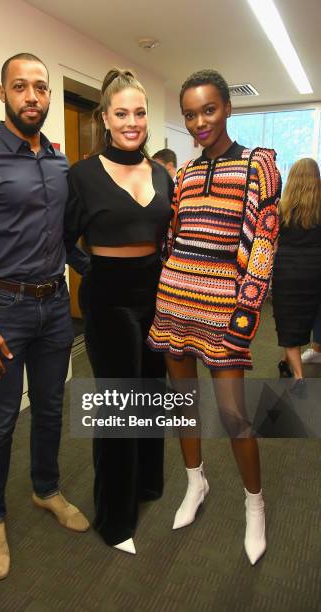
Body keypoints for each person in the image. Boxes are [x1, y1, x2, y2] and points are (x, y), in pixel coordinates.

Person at [0, 53, 90, 580]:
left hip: (54, 309)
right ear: (2, 93)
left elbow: (65, 239)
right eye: (21, 87)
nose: (33, 97)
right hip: (3, 310)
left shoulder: (58, 161)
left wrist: (100, 271)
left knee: (51, 408)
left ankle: (45, 489)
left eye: (42, 88)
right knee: (2, 419)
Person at [147, 69, 280, 565]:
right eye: (189, 114)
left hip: (224, 314)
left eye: (208, 109)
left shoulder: (256, 166)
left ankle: (255, 505)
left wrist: (243, 318)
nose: (199, 121)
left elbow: (264, 245)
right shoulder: (182, 174)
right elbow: (172, 239)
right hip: (175, 306)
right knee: (184, 406)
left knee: (234, 416)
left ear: (227, 107)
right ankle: (195, 483)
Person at [64, 68, 173, 554]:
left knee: (153, 393)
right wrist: (95, 271)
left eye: (140, 113)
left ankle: (148, 484)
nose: (132, 122)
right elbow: (64, 239)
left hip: (156, 293)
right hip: (109, 298)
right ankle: (115, 518)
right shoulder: (83, 175)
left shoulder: (163, 175)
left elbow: (170, 238)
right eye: (122, 113)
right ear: (105, 118)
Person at [272, 158, 321, 391]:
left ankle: (298, 378)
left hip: (287, 270)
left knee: (289, 321)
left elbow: (273, 243)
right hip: (315, 270)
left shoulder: (281, 206)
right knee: (305, 318)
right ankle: (285, 362)